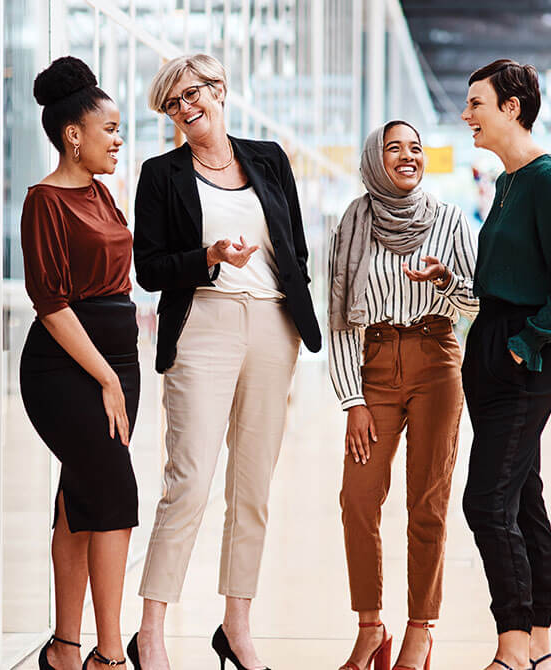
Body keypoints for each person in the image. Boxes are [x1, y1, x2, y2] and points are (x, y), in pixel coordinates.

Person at [130, 53, 322, 670]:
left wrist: (296, 296)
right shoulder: (161, 174)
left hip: (273, 325)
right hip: (203, 324)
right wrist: (208, 254)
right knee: (187, 482)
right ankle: (151, 632)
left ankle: (236, 626)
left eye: (193, 96)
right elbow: (150, 268)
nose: (186, 111)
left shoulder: (268, 158)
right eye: (173, 105)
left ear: (219, 90)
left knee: (253, 487)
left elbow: (292, 244)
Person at [327, 121, 478, 670]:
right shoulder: (352, 224)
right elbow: (340, 314)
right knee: (358, 499)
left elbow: (477, 305)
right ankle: (371, 628)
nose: (407, 156)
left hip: (437, 360)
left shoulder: (449, 219)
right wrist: (352, 401)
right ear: (375, 158)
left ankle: (420, 630)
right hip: (372, 365)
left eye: (416, 148)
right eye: (394, 148)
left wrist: (443, 282)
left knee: (427, 502)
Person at [459, 59, 551, 670]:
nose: (468, 117)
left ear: (512, 107)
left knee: (485, 501)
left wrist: (529, 342)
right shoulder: (509, 182)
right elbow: (507, 273)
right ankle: (537, 638)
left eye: (477, 105)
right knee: (520, 495)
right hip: (491, 341)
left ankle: (511, 644)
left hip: (524, 353)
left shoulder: (547, 179)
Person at [20, 56, 136, 670]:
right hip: (69, 366)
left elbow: (124, 276)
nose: (118, 140)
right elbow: (51, 304)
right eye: (110, 129)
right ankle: (109, 655)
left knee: (81, 495)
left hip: (117, 358)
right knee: (114, 496)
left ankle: (65, 648)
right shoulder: (45, 201)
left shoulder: (105, 195)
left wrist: (210, 254)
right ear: (74, 135)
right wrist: (107, 376)